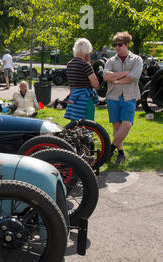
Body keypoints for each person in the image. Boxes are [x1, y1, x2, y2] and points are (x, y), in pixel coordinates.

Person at [103, 31, 143, 164]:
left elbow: (133, 77)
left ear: (127, 44)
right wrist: (124, 73)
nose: (116, 47)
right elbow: (106, 76)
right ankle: (120, 153)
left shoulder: (136, 59)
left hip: (130, 96)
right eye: (115, 45)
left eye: (119, 44)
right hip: (113, 97)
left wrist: (116, 79)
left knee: (126, 125)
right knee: (116, 126)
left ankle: (110, 149)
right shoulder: (110, 61)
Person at [64, 38, 99, 122]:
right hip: (84, 101)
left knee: (74, 126)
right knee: (89, 126)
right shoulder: (85, 65)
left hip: (73, 99)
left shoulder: (69, 64)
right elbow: (95, 84)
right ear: (87, 50)